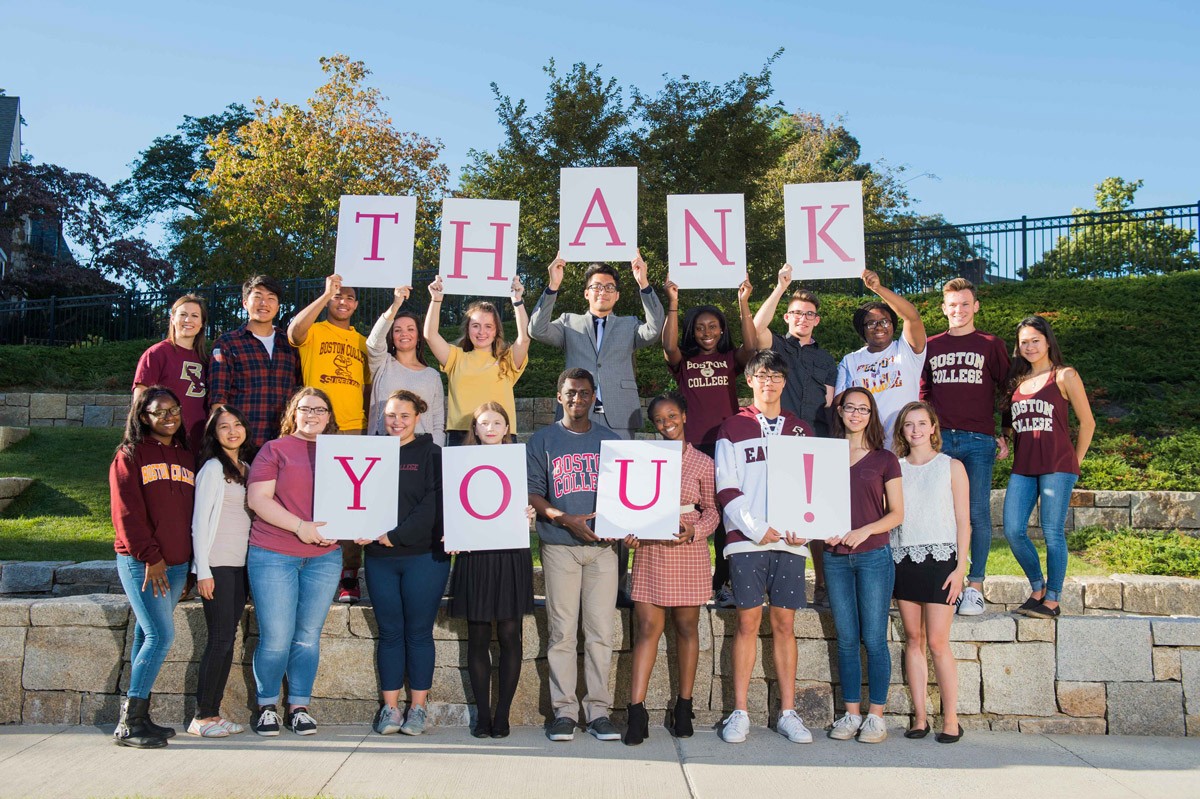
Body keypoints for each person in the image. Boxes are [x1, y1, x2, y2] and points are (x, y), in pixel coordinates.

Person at [529, 251, 665, 606]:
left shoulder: (628, 323)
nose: (602, 292)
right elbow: (536, 330)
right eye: (595, 287)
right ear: (586, 293)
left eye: (609, 287)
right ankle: (578, 563)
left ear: (617, 295)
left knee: (617, 502)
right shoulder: (569, 322)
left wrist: (644, 284)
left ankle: (616, 585)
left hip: (619, 420)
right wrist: (552, 286)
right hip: (580, 419)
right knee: (583, 493)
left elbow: (655, 330)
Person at [714, 351, 815, 746]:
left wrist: (808, 526)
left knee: (785, 625)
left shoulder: (801, 429)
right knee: (747, 624)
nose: (768, 382)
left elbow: (812, 485)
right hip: (746, 542)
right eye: (760, 375)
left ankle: (788, 712)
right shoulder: (733, 427)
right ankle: (740, 712)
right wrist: (757, 528)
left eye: (775, 375)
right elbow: (726, 485)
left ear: (784, 382)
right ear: (750, 381)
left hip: (791, 543)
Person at [527, 368, 622, 743]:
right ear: (559, 395)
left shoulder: (610, 440)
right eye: (570, 393)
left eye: (584, 393)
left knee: (600, 633)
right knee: (562, 633)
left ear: (594, 397)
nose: (577, 399)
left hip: (602, 550)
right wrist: (565, 519)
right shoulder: (543, 440)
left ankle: (598, 711)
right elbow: (534, 493)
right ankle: (564, 712)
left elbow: (627, 493)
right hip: (559, 547)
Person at [622, 392, 719, 746]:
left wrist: (696, 531)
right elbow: (630, 503)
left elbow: (712, 510)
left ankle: (684, 706)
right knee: (648, 628)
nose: (667, 423)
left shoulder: (704, 463)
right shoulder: (644, 459)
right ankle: (636, 711)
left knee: (686, 627)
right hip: (651, 548)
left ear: (684, 415)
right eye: (660, 419)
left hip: (688, 549)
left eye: (672, 416)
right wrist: (629, 534)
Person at [245, 387, 342, 737]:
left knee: (307, 638)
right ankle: (266, 705)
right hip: (274, 553)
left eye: (319, 409)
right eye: (305, 408)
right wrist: (300, 527)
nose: (312, 414)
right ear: (293, 413)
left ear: (329, 416)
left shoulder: (344, 452)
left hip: (324, 558)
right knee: (275, 637)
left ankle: (299, 706)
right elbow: (258, 499)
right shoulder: (275, 450)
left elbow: (362, 498)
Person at [355, 390, 450, 737]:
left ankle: (418, 709)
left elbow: (432, 503)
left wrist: (394, 534)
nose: (396, 422)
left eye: (404, 416)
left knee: (419, 633)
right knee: (391, 633)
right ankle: (390, 709)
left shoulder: (431, 454)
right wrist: (357, 527)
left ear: (418, 417)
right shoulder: (369, 453)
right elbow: (355, 495)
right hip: (379, 559)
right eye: (391, 416)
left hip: (423, 557)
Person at [662, 277, 756, 608]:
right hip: (693, 450)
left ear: (721, 329)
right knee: (695, 514)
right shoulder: (684, 362)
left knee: (725, 515)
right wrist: (673, 301)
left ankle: (723, 583)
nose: (706, 332)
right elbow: (668, 347)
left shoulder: (732, 358)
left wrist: (743, 302)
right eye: (700, 327)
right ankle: (689, 578)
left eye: (713, 326)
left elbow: (753, 348)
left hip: (726, 446)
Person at [109, 386, 195, 749]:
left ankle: (140, 717)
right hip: (144, 563)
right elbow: (126, 514)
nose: (169, 417)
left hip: (177, 564)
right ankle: (130, 722)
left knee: (147, 635)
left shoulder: (187, 455)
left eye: (174, 409)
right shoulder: (129, 455)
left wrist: (188, 565)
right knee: (161, 636)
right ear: (143, 416)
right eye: (160, 412)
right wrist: (150, 557)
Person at [920, 277, 1011, 616]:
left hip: (977, 441)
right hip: (939, 442)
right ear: (944, 308)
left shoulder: (991, 344)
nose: (958, 309)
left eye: (964, 304)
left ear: (975, 306)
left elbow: (1009, 390)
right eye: (952, 304)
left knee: (976, 513)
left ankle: (975, 585)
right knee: (940, 514)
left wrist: (1006, 432)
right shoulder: (931, 345)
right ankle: (946, 581)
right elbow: (923, 394)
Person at [753, 263, 839, 608]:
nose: (802, 318)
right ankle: (770, 586)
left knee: (815, 519)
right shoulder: (775, 348)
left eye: (809, 313)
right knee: (774, 515)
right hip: (780, 440)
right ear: (787, 317)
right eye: (796, 313)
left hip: (816, 441)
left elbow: (831, 401)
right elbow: (757, 326)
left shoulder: (827, 359)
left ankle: (821, 585)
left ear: (817, 319)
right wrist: (780, 286)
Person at [448, 402, 536, 739]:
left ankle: (503, 715)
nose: (490, 428)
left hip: (510, 553)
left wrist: (529, 516)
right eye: (484, 422)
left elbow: (530, 503)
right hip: (476, 555)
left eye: (497, 422)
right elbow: (455, 506)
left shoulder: (518, 462)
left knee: (511, 636)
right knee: (479, 636)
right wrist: (453, 532)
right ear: (475, 426)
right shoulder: (460, 461)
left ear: (506, 427)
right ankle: (482, 716)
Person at [825, 387, 904, 744]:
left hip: (873, 556)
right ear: (839, 410)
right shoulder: (823, 455)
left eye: (864, 409)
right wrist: (820, 531)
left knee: (873, 638)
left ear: (871, 416)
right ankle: (851, 713)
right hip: (835, 558)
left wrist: (863, 531)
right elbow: (810, 501)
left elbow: (897, 514)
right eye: (850, 407)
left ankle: (876, 716)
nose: (856, 414)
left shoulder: (885, 459)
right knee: (845, 640)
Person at [1003, 316, 1095, 619]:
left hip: (1058, 465)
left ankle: (1053, 598)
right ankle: (1037, 587)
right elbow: (1014, 426)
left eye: (1035, 340)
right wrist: (1004, 440)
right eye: (1024, 342)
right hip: (1024, 466)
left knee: (1053, 532)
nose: (1029, 346)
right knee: (1014, 530)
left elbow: (1088, 423)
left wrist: (1075, 461)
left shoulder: (1064, 375)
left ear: (1047, 342)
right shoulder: (1018, 383)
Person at [288, 273, 371, 604]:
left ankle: (349, 574)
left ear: (356, 304)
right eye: (339, 296)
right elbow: (294, 331)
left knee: (350, 505)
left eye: (349, 297)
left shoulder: (362, 342)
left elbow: (366, 387)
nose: (343, 301)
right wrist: (325, 294)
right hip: (316, 426)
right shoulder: (316, 331)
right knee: (309, 499)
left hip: (353, 427)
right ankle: (305, 563)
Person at [892, 401, 970, 744]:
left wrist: (960, 568)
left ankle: (951, 718)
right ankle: (920, 717)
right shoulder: (894, 468)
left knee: (938, 642)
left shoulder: (951, 467)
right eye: (909, 425)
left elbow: (965, 521)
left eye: (922, 423)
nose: (916, 430)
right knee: (914, 640)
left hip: (941, 562)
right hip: (904, 558)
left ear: (933, 427)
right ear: (902, 431)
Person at [189, 405, 256, 738]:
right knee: (219, 640)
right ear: (214, 436)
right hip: (217, 564)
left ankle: (213, 714)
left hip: (241, 566)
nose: (232, 431)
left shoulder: (246, 467)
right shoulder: (213, 468)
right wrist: (202, 570)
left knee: (228, 639)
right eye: (224, 427)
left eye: (237, 424)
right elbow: (199, 522)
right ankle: (202, 717)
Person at [425, 275, 530, 445]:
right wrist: (436, 300)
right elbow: (430, 335)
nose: (482, 332)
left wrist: (517, 301)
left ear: (496, 331)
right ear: (468, 329)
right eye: (476, 326)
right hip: (461, 435)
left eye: (488, 326)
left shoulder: (507, 360)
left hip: (501, 435)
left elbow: (524, 338)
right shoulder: (455, 357)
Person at [836, 269, 927, 443]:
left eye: (885, 321)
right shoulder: (850, 360)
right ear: (862, 330)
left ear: (893, 325)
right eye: (871, 323)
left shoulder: (906, 351)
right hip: (867, 445)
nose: (879, 327)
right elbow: (839, 406)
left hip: (905, 444)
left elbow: (913, 317)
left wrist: (878, 288)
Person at [210, 275, 301, 448]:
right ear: (245, 303)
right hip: (244, 443)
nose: (264, 303)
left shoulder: (290, 344)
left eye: (271, 298)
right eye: (257, 297)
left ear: (278, 306)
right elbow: (218, 397)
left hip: (284, 443)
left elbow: (299, 389)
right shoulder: (228, 343)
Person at [365, 286, 444, 442]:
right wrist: (395, 305)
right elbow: (373, 343)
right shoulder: (382, 363)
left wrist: (435, 452)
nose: (404, 334)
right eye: (397, 330)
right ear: (392, 336)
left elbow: (437, 422)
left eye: (410, 329)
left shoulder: (432, 376)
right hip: (382, 443)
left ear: (418, 336)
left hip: (421, 448)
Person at [133, 294, 209, 453]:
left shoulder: (206, 360)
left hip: (199, 442)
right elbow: (140, 402)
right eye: (183, 314)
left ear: (201, 323)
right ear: (173, 318)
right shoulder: (156, 354)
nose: (188, 320)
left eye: (195, 316)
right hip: (165, 440)